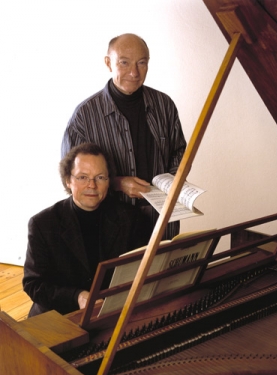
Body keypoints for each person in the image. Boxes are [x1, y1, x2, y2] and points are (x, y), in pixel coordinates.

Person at [61, 33, 186, 243]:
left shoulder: (165, 105)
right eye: (124, 63)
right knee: (118, 275)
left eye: (142, 63)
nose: (134, 72)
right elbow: (71, 177)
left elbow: (179, 151)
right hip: (109, 220)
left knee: (165, 272)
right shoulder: (84, 115)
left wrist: (173, 180)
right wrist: (117, 183)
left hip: (162, 215)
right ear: (108, 63)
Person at [23, 143, 143, 317]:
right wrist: (76, 296)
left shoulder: (129, 217)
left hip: (110, 312)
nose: (92, 185)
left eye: (100, 177)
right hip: (59, 314)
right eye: (82, 177)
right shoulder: (42, 224)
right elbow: (34, 285)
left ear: (109, 181)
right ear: (68, 180)